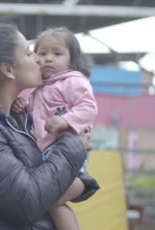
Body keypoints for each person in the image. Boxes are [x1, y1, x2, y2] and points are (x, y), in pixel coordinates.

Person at [0, 23, 100, 230]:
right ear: (8, 69)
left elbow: (45, 176)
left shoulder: (17, 118)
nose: (40, 60)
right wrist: (72, 144)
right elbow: (28, 200)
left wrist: (81, 181)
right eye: (30, 53)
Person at [12, 27, 98, 230]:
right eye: (42, 53)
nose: (48, 58)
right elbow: (33, 119)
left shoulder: (73, 81)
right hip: (48, 153)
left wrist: (67, 120)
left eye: (57, 53)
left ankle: (81, 184)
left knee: (49, 201)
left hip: (66, 149)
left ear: (73, 60)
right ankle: (80, 186)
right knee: (53, 204)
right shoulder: (38, 89)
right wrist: (22, 107)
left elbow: (89, 107)